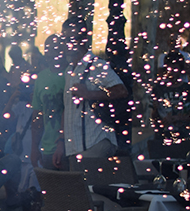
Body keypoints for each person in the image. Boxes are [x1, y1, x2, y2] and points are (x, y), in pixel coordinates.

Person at [53, 18, 129, 169]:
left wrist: (89, 94)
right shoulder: (69, 70)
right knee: (80, 190)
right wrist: (61, 142)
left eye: (72, 39)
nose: (67, 43)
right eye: (65, 39)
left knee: (89, 190)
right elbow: (67, 109)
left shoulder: (97, 65)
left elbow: (121, 90)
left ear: (84, 39)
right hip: (75, 146)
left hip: (96, 142)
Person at [30, 34, 67, 170]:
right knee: (50, 189)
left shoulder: (70, 74)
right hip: (48, 147)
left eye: (55, 49)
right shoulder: (41, 77)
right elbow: (37, 115)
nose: (50, 53)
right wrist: (34, 148)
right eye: (48, 49)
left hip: (71, 148)